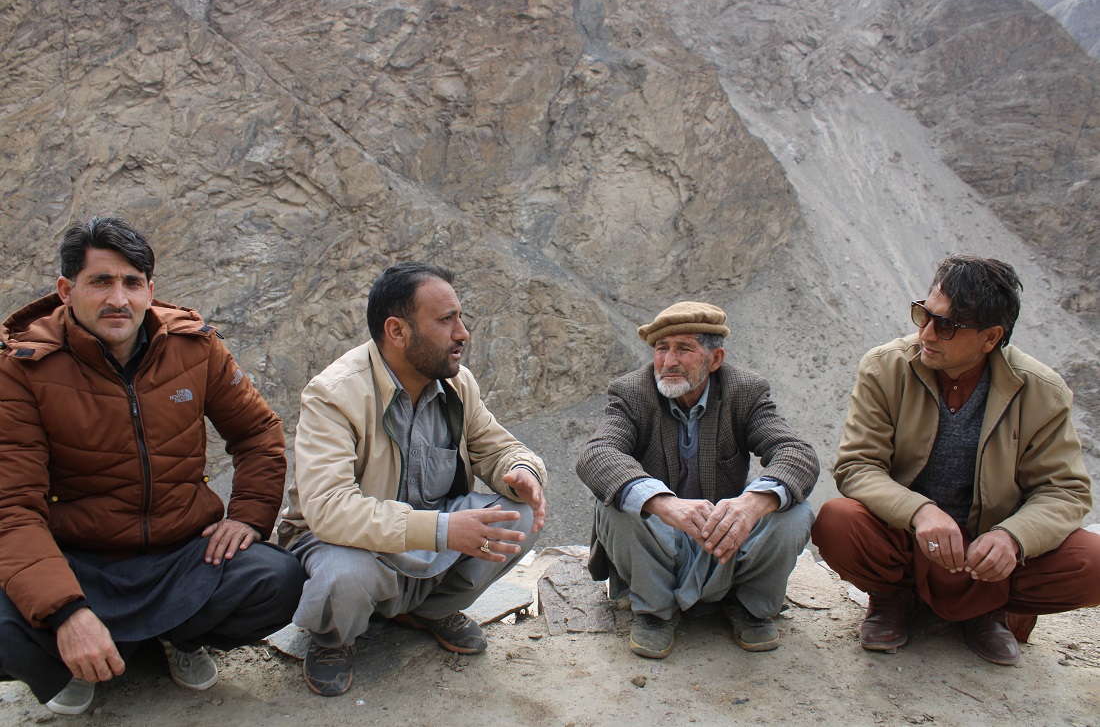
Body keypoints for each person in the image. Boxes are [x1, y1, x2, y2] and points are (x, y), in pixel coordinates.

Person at [0, 216, 305, 715]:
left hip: (181, 553)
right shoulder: (23, 368)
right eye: (100, 281)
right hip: (80, 560)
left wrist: (246, 516)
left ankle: (174, 639)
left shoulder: (194, 346)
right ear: (65, 289)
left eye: (132, 283)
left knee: (278, 579)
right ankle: (81, 651)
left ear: (149, 290)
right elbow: (13, 507)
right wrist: (66, 611)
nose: (118, 298)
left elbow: (256, 433)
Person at [813, 254, 1100, 666]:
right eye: (923, 315)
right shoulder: (886, 367)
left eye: (945, 326)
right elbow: (857, 466)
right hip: (908, 541)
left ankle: (989, 611)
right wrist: (920, 512)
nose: (927, 333)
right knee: (837, 522)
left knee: (1093, 565)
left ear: (990, 337)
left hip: (989, 553)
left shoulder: (1042, 391)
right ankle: (894, 598)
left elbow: (1065, 491)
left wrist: (1012, 538)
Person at [279, 261, 547, 697]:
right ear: (398, 331)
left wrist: (520, 472)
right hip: (348, 542)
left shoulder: (458, 385)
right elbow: (328, 510)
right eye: (446, 320)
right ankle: (333, 640)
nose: (462, 332)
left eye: (460, 317)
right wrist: (442, 530)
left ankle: (428, 611)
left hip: (429, 533)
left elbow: (497, 447)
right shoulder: (334, 394)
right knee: (344, 576)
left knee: (518, 515)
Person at [576, 301, 819, 659]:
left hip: (724, 541)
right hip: (661, 541)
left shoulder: (744, 392)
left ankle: (749, 607)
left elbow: (796, 452)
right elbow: (596, 454)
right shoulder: (632, 392)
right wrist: (663, 503)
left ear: (715, 359)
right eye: (662, 348)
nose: (668, 361)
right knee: (614, 505)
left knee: (794, 511)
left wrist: (751, 504)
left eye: (684, 348)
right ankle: (654, 611)